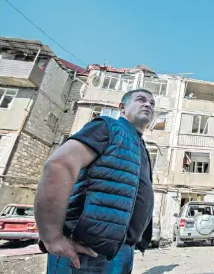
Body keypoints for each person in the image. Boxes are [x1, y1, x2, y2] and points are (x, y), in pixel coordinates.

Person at [34, 88, 156, 273]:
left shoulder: (141, 147)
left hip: (122, 251)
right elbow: (59, 166)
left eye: (152, 103)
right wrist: (52, 238)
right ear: (122, 108)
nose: (148, 104)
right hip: (86, 253)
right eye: (141, 99)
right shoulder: (108, 127)